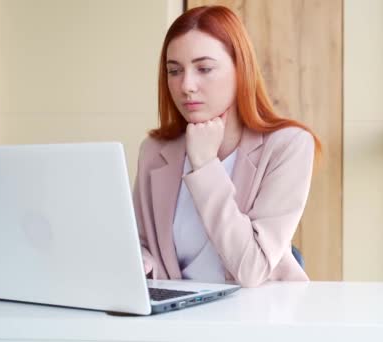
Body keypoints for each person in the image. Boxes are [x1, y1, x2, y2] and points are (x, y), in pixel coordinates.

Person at [133, 5, 321, 288]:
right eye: (174, 71)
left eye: (204, 68)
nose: (186, 85)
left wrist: (205, 165)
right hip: (175, 322)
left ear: (240, 69)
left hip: (258, 318)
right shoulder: (155, 150)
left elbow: (253, 269)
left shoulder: (289, 145)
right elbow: (142, 242)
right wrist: (141, 260)